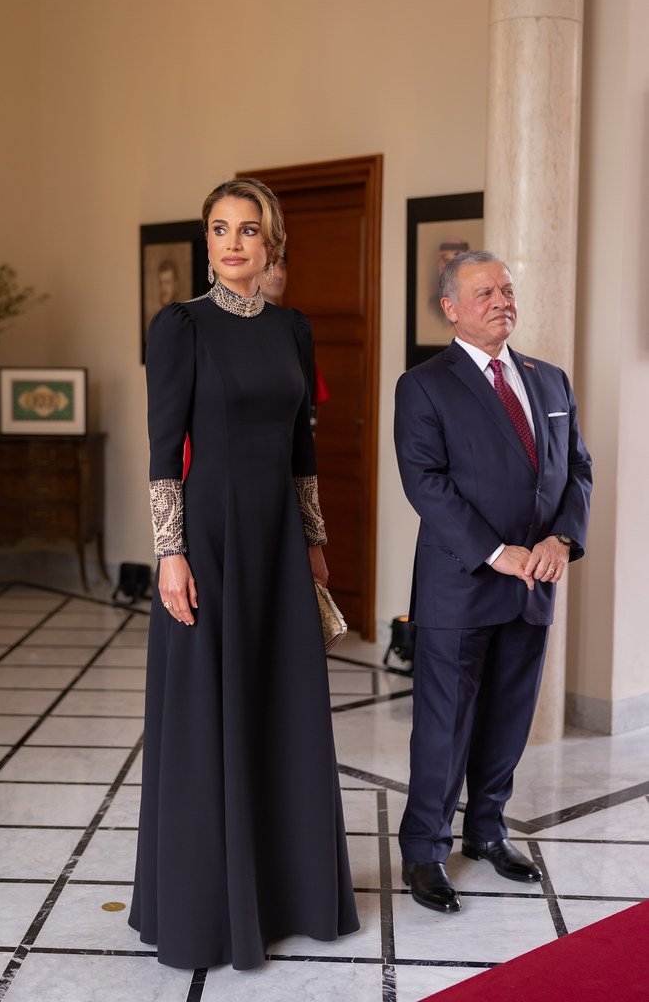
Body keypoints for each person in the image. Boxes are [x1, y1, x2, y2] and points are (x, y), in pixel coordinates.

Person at [129, 178, 359, 969]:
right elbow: (163, 451)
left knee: (282, 708)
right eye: (220, 229)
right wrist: (170, 553)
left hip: (278, 543)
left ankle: (289, 896)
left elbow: (302, 446)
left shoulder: (294, 329)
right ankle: (205, 912)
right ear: (207, 241)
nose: (232, 243)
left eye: (248, 230)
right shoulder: (180, 326)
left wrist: (314, 540)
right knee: (208, 715)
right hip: (209, 543)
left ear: (272, 244)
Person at [394, 250, 592, 915]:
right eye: (484, 293)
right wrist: (496, 552)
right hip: (461, 583)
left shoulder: (549, 380)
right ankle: (424, 851)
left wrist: (561, 539)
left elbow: (578, 470)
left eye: (506, 290)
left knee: (509, 720)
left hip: (535, 581)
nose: (502, 301)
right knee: (444, 727)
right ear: (451, 308)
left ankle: (486, 831)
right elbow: (425, 483)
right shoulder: (423, 385)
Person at [261, 251, 329, 431]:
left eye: (283, 266)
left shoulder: (296, 327)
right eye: (270, 266)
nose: (279, 274)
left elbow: (312, 395)